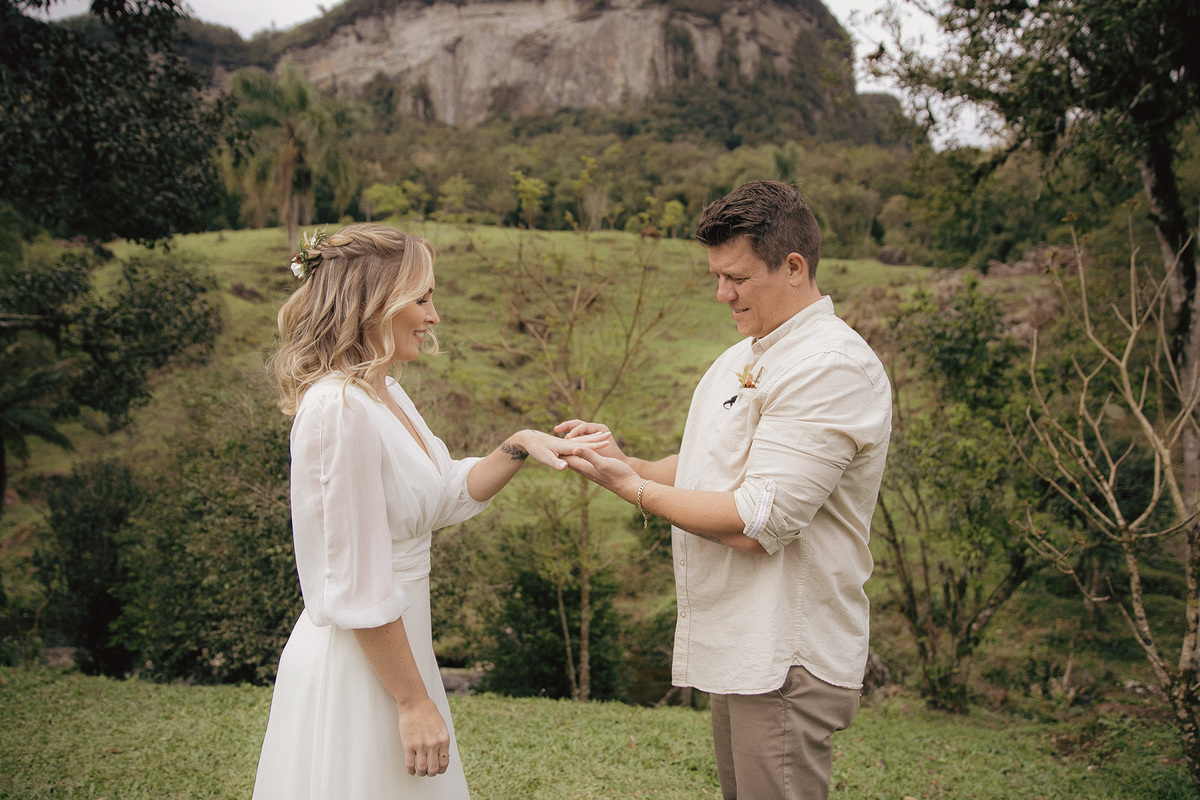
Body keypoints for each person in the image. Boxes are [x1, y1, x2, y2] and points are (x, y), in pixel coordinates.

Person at [558, 180, 891, 800]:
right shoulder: (750, 353)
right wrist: (622, 461)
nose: (721, 294)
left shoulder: (830, 367)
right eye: (717, 276)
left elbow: (756, 522)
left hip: (785, 648)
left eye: (736, 277)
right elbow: (711, 469)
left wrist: (633, 489)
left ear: (793, 267)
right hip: (745, 642)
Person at [252, 223, 607, 800]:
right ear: (372, 303)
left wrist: (517, 444)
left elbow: (440, 494)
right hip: (361, 667)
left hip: (403, 655)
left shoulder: (383, 392)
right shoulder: (337, 409)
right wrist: (412, 701)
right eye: (422, 298)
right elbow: (356, 581)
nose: (434, 315)